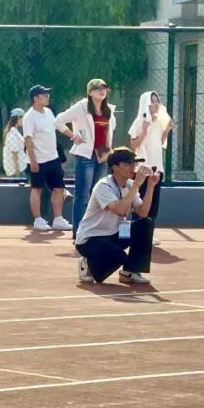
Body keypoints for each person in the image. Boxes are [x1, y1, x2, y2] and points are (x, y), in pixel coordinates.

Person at [75, 147, 158, 285]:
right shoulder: (104, 186)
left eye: (133, 163)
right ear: (115, 168)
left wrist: (150, 186)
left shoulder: (130, 185)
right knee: (118, 256)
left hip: (116, 233)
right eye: (127, 164)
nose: (132, 167)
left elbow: (143, 212)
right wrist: (137, 184)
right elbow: (120, 210)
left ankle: (130, 272)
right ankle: (87, 263)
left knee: (145, 224)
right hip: (91, 238)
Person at [55, 79, 117, 238]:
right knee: (82, 196)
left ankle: (94, 232)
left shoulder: (109, 109)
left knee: (99, 196)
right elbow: (58, 120)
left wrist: (109, 147)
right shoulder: (81, 107)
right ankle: (79, 233)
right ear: (89, 92)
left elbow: (110, 131)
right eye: (97, 88)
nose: (102, 91)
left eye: (104, 88)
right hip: (85, 157)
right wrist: (73, 135)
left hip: (103, 157)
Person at [23, 85, 75, 232]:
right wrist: (33, 161)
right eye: (44, 95)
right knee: (37, 189)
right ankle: (38, 220)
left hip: (53, 158)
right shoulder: (29, 117)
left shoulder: (49, 112)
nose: (48, 97)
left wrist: (73, 136)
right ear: (35, 98)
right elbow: (28, 140)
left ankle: (58, 219)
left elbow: (59, 127)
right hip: (37, 160)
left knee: (59, 188)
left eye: (47, 94)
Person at [129, 91, 174, 244]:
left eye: (157, 101)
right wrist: (143, 130)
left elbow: (160, 142)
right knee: (140, 202)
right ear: (145, 103)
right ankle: (137, 234)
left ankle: (148, 234)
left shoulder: (158, 122)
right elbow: (134, 144)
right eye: (152, 101)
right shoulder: (139, 121)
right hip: (143, 168)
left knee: (154, 204)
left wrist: (167, 130)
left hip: (157, 168)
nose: (155, 104)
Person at [3, 108, 29, 181]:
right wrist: (17, 170)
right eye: (23, 118)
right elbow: (14, 152)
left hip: (20, 167)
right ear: (18, 118)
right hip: (17, 169)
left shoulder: (15, 132)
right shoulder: (12, 133)